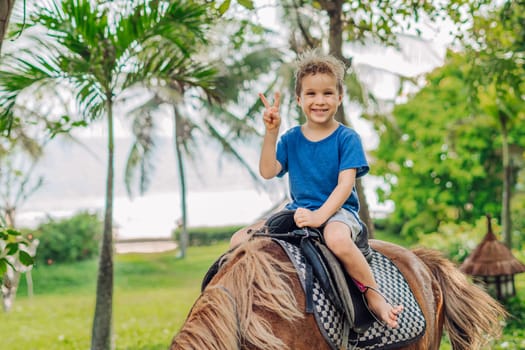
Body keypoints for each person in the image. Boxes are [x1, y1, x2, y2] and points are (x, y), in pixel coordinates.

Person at [230, 49, 403, 328]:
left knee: (336, 240)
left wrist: (320, 217)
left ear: (339, 97)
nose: (319, 101)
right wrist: (271, 133)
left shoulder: (347, 138)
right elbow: (267, 171)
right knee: (240, 239)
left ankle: (374, 295)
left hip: (337, 213)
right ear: (299, 100)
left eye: (327, 94)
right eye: (311, 94)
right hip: (298, 212)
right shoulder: (291, 138)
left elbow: (345, 186)